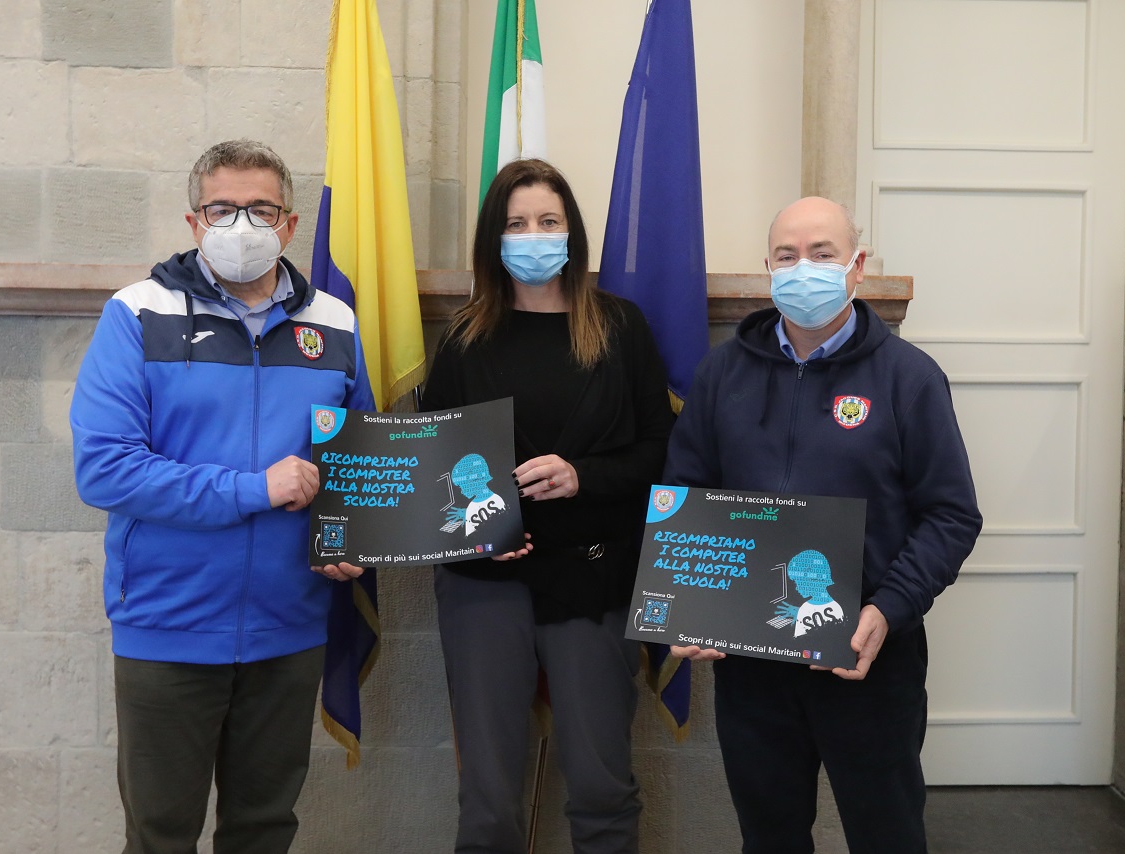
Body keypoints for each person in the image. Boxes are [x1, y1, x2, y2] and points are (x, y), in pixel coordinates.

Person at [70, 138, 373, 853]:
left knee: (264, 830)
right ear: (194, 221)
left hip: (289, 626)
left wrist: (351, 538)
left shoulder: (334, 322)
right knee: (160, 834)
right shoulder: (137, 313)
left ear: (289, 224)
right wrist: (253, 489)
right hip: (168, 623)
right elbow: (105, 469)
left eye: (260, 209)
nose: (242, 224)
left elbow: (356, 463)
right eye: (222, 208)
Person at [666, 196, 983, 854]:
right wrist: (691, 601)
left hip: (868, 660)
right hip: (753, 666)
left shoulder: (909, 378)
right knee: (769, 839)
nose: (803, 269)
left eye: (822, 254)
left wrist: (889, 608)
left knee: (887, 836)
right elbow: (685, 495)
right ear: (767, 269)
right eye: (787, 256)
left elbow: (951, 515)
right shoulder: (721, 374)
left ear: (856, 266)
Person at [421, 158, 674, 854]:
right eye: (516, 223)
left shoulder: (619, 328)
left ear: (572, 232)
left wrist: (582, 477)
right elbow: (430, 470)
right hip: (483, 584)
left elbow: (661, 450)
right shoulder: (463, 339)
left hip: (592, 579)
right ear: (493, 238)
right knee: (488, 796)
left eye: (547, 221)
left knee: (600, 782)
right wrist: (477, 529)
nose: (533, 236)